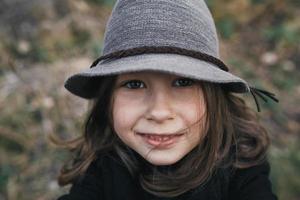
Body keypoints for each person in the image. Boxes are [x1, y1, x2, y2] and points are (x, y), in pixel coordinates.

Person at [55, 0, 279, 199]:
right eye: (134, 84)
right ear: (108, 99)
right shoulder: (100, 161)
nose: (160, 112)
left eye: (183, 82)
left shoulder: (240, 160)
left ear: (215, 96)